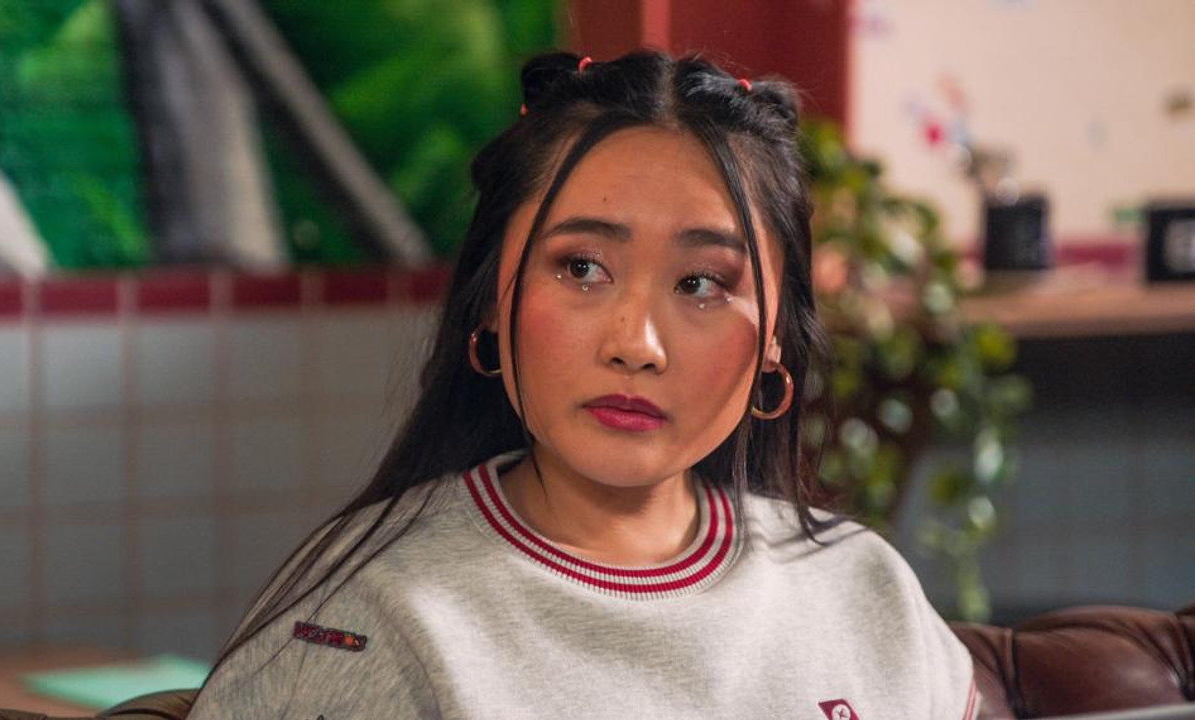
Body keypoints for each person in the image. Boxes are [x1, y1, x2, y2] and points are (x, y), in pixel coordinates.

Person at [187, 50, 979, 719]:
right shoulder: (370, 617)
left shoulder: (863, 589)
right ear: (492, 299)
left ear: (777, 339)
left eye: (702, 283)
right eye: (581, 268)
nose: (636, 345)